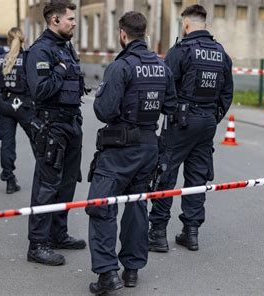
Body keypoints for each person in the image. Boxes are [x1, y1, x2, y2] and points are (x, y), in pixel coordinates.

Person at [85, 11, 176, 294]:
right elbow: (170, 105)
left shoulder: (121, 66)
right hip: (149, 147)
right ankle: (132, 270)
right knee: (137, 206)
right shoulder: (162, 67)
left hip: (119, 148)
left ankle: (107, 274)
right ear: (145, 34)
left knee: (101, 207)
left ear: (123, 34)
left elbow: (104, 110)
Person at [148, 4, 233, 253]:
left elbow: (164, 84)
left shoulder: (180, 50)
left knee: (166, 172)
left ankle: (158, 233)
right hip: (207, 121)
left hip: (181, 121)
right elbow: (227, 91)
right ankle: (191, 232)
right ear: (204, 24)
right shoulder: (220, 52)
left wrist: (170, 111)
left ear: (186, 24)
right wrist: (213, 116)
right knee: (197, 176)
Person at [25, 0, 87, 266]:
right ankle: (38, 244)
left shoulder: (66, 47)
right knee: (47, 185)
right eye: (70, 19)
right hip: (52, 126)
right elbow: (40, 91)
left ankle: (58, 233)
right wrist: (60, 71)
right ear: (54, 20)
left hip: (71, 123)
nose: (74, 23)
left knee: (67, 183)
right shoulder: (40, 51)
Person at [0, 28, 35, 194]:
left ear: (8, 41)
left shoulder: (0, 60)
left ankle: (9, 180)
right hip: (24, 105)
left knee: (7, 144)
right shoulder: (29, 59)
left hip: (6, 105)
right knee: (38, 141)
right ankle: (45, 179)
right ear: (23, 40)